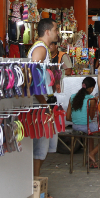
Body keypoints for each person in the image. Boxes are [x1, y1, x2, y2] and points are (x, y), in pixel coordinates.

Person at [27, 18, 60, 179]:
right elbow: (33, 80)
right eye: (56, 30)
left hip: (41, 104)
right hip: (38, 106)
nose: (58, 33)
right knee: (39, 149)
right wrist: (44, 104)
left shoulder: (43, 49)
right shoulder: (40, 49)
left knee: (43, 148)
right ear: (47, 32)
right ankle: (35, 186)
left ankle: (35, 184)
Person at [66, 77, 99, 168]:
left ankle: (91, 159)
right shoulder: (91, 99)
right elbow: (91, 118)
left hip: (75, 127)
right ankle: (92, 154)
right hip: (86, 126)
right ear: (92, 88)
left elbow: (68, 117)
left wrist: (77, 120)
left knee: (90, 133)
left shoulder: (72, 97)